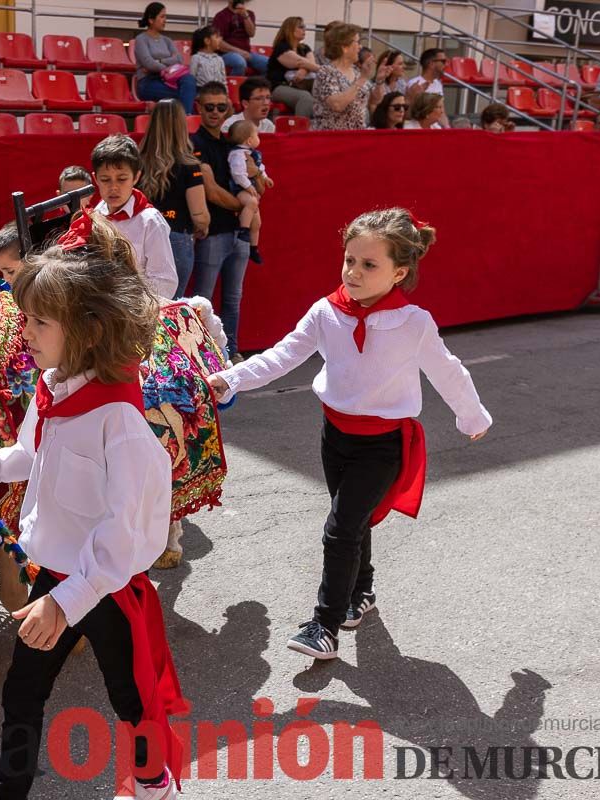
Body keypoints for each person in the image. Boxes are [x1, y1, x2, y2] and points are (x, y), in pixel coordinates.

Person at [0, 217, 184, 800]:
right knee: (22, 693)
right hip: (51, 575)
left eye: (39, 321)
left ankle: (152, 783)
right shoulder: (52, 388)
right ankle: (7, 791)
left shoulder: (119, 423)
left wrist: (64, 603)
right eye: (23, 317)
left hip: (103, 586)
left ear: (89, 330)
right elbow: (28, 452)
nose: (24, 331)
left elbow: (126, 539)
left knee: (131, 697)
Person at [207, 208, 492, 660]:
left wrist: (471, 416)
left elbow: (448, 371)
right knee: (353, 520)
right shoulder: (326, 312)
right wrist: (233, 377)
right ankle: (363, 591)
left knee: (339, 531)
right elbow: (283, 355)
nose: (353, 272)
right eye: (349, 261)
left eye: (369, 265)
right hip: (334, 434)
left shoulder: (413, 322)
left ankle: (325, 624)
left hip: (383, 445)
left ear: (399, 272)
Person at [191, 81, 252, 359]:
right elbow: (211, 192)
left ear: (228, 108)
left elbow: (254, 181)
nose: (215, 112)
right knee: (201, 301)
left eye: (221, 106)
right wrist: (244, 204)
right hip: (212, 233)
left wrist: (256, 178)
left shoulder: (233, 143)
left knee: (233, 299)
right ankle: (201, 357)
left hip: (238, 234)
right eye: (209, 107)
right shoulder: (195, 143)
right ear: (198, 108)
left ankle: (232, 353)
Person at [90, 134, 178, 298]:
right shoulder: (95, 216)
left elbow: (165, 281)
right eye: (105, 179)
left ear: (136, 177)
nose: (113, 187)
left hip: (136, 312)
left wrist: (127, 302)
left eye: (122, 179)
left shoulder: (150, 221)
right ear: (95, 179)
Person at [138, 99, 209, 294]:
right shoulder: (189, 165)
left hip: (140, 238)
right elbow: (199, 216)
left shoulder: (136, 162)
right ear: (180, 124)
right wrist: (203, 226)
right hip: (176, 236)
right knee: (171, 308)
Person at [134, 2, 197, 115]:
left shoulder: (167, 40)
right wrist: (167, 65)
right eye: (162, 17)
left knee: (189, 80)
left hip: (169, 79)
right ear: (151, 20)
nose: (165, 20)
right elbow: (148, 63)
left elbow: (179, 59)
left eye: (165, 17)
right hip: (149, 82)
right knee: (186, 94)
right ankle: (186, 120)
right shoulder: (141, 39)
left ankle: (185, 119)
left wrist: (159, 62)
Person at [312, 22, 374, 131]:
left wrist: (381, 80)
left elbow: (374, 100)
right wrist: (362, 79)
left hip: (357, 138)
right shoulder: (326, 72)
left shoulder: (357, 72)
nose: (360, 47)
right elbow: (337, 105)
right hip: (333, 140)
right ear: (344, 47)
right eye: (357, 42)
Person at [227, 120, 268, 261]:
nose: (259, 137)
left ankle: (253, 248)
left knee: (257, 223)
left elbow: (260, 168)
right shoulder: (237, 155)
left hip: (251, 189)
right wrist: (249, 187)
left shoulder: (253, 153)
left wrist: (265, 177)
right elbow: (238, 174)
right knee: (251, 202)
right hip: (239, 189)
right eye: (257, 134)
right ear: (250, 140)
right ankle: (243, 230)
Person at [266, 16, 320, 117]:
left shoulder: (305, 47)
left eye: (304, 27)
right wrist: (326, 70)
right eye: (300, 27)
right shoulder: (281, 47)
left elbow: (311, 63)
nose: (304, 29)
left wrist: (303, 70)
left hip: (299, 85)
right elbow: (299, 61)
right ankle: (300, 129)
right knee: (305, 97)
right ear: (290, 29)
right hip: (278, 86)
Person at [406, 48, 450, 127]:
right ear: (431, 64)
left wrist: (447, 128)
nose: (446, 65)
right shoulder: (414, 84)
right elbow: (410, 113)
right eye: (443, 61)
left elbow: (442, 112)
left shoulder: (438, 84)